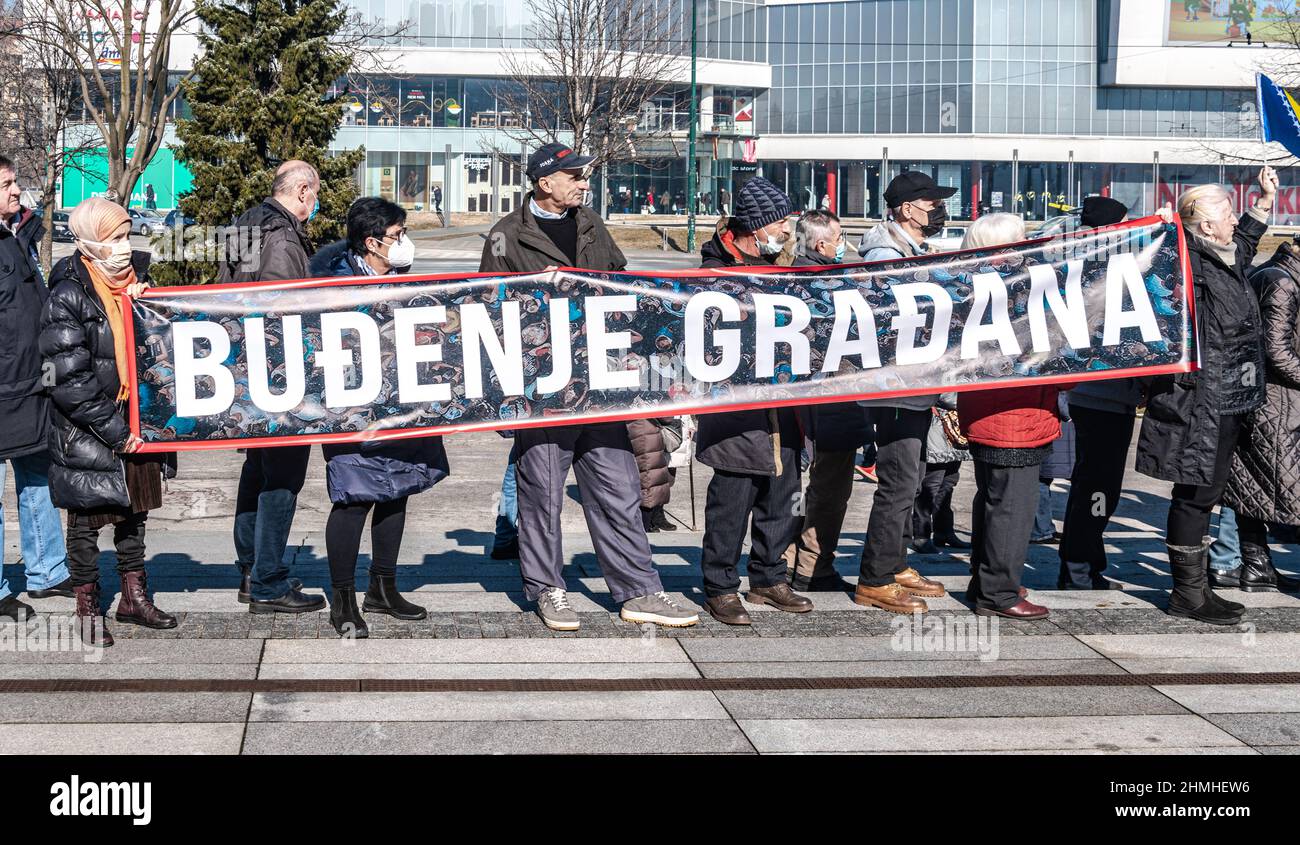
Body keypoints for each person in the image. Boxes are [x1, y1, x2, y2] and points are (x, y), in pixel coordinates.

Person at [478, 142, 697, 631]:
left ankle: (639, 589)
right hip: (543, 389)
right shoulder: (506, 236)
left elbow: (621, 285)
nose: (583, 183)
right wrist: (503, 393)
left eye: (582, 175)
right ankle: (547, 589)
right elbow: (487, 312)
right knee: (542, 493)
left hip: (600, 384)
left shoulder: (592, 224)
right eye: (574, 176)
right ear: (544, 183)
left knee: (618, 487)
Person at [1136, 167, 1277, 625]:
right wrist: (1160, 233)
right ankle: (1188, 593)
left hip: (1230, 399)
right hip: (1201, 402)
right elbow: (1150, 282)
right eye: (1229, 215)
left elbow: (1245, 246)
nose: (1235, 221)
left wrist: (1263, 201)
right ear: (1205, 226)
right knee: (1195, 495)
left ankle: (1195, 589)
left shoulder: (1221, 254)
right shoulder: (1185, 260)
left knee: (1209, 491)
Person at [39, 198, 176, 646]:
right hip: (88, 428)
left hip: (132, 416)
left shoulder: (137, 285)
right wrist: (119, 436)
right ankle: (87, 606)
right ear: (87, 242)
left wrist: (144, 308)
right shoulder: (66, 294)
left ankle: (134, 596)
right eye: (113, 238)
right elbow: (68, 381)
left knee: (134, 513)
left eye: (126, 235)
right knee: (86, 520)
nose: (123, 246)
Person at [311, 197, 445, 637]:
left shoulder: (402, 280)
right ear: (372, 243)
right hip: (355, 411)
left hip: (403, 405)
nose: (404, 242)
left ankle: (383, 587)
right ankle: (344, 599)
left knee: (398, 489)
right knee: (354, 496)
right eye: (398, 235)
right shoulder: (333, 283)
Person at [695, 177, 813, 625]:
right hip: (736, 413)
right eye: (781, 222)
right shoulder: (714, 272)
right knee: (732, 501)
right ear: (757, 225)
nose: (787, 231)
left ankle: (768, 576)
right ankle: (720, 586)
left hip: (783, 410)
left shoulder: (785, 268)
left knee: (781, 498)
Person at [852, 172, 956, 614]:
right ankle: (875, 578)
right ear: (908, 209)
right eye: (933, 203)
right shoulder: (885, 253)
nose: (939, 211)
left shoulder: (906, 247)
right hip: (894, 385)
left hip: (911, 382)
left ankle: (894, 564)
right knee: (897, 483)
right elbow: (886, 318)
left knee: (909, 480)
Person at [224, 160, 325, 614]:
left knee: (258, 472)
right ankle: (268, 581)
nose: (315, 202)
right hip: (278, 377)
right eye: (314, 193)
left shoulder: (245, 225)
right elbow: (285, 311)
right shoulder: (283, 238)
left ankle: (251, 570)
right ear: (303, 191)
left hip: (244, 372)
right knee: (282, 477)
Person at [955, 213, 1055, 620]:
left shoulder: (970, 286)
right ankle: (999, 592)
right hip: (1013, 414)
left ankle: (989, 581)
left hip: (995, 413)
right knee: (1012, 507)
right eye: (1021, 241)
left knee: (994, 502)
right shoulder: (1013, 292)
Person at [0, 155, 72, 622]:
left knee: (38, 478)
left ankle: (49, 570)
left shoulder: (18, 236)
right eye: (6, 184)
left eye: (14, 182)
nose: (15, 191)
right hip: (5, 387)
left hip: (30, 386)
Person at [1058, 195, 1137, 590]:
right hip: (1103, 393)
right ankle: (1080, 568)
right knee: (1098, 485)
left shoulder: (1080, 266)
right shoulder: (1105, 272)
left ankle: (1085, 563)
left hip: (1096, 393)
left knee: (1093, 482)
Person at [782, 210, 861, 592]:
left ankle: (790, 559)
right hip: (832, 398)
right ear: (821, 244)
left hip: (805, 399)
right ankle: (814, 564)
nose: (843, 243)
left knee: (794, 488)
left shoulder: (788, 280)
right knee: (830, 489)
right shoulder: (828, 283)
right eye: (839, 236)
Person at [1221, 237, 1300, 592]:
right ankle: (1254, 563)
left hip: (1277, 401)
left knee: (1257, 486)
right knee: (1281, 488)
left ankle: (1256, 565)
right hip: (1277, 404)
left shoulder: (1285, 277)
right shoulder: (1280, 281)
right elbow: (1276, 351)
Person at [911, 394, 971, 554]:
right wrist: (972, 397)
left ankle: (944, 532)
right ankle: (921, 535)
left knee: (949, 483)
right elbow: (946, 396)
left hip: (954, 431)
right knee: (931, 485)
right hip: (937, 428)